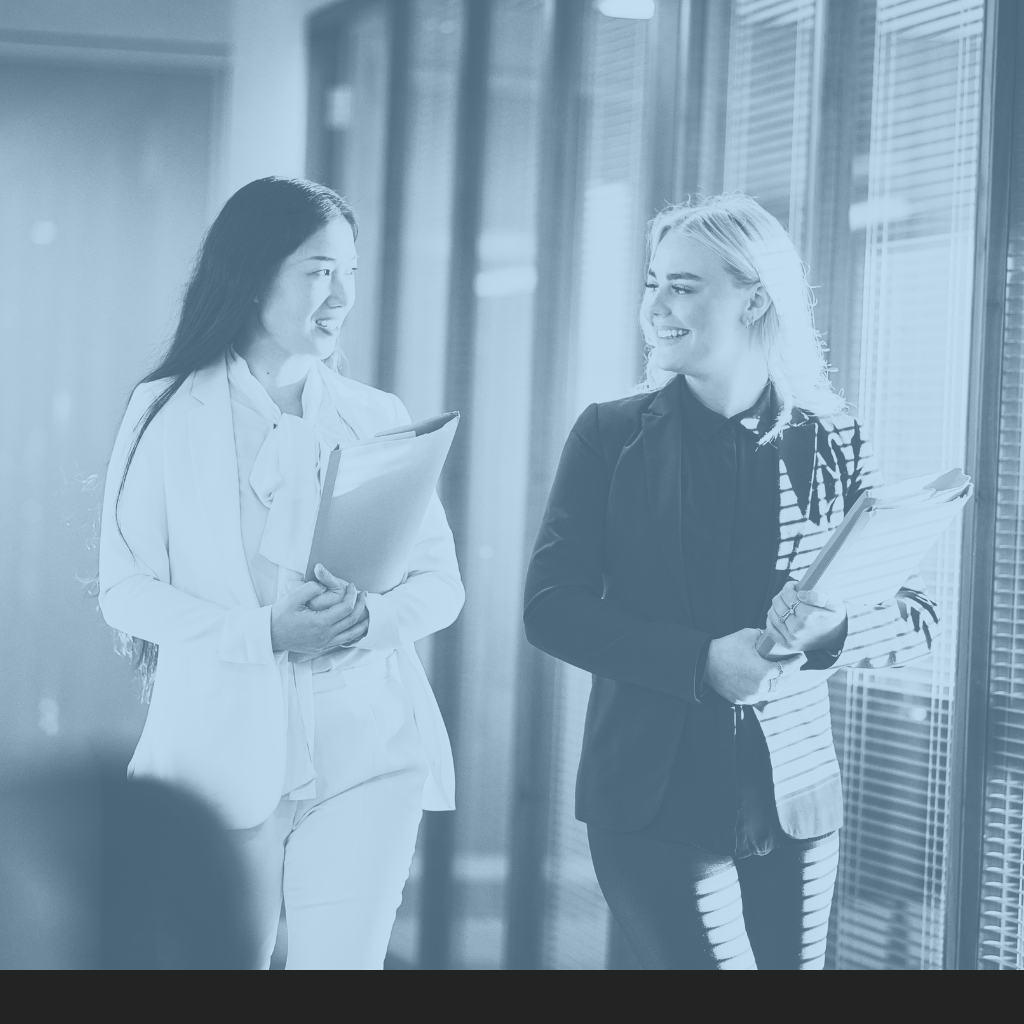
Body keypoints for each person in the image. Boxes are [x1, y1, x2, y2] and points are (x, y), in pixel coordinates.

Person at [523, 193, 939, 969]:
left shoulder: (833, 434)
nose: (656, 307)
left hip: (796, 799)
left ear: (754, 296)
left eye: (682, 286)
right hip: (651, 798)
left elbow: (916, 614)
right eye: (654, 283)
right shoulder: (610, 434)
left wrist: (829, 634)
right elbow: (551, 610)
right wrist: (701, 660)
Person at [99, 177, 464, 969]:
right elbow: (124, 591)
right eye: (320, 270)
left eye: (351, 272)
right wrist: (265, 632)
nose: (341, 295)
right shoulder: (165, 410)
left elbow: (440, 586)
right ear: (256, 270)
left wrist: (366, 621)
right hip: (216, 769)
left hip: (365, 755)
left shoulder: (376, 414)